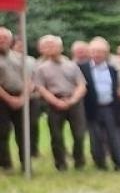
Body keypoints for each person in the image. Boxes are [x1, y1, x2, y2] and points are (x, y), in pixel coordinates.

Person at [32, 34, 88, 172]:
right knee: (56, 136)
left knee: (79, 134)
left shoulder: (72, 65)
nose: (50, 48)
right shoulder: (41, 68)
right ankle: (61, 163)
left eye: (53, 45)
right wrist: (56, 101)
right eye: (47, 46)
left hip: (74, 102)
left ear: (61, 47)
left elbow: (81, 85)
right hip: (54, 103)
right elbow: (41, 88)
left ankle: (79, 161)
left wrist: (73, 100)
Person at [80, 37, 120, 171]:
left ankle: (119, 163)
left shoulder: (112, 69)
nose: (97, 54)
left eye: (101, 52)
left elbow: (115, 89)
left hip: (110, 107)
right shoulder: (83, 68)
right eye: (94, 51)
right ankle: (100, 164)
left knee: (114, 136)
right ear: (90, 53)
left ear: (106, 53)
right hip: (92, 108)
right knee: (95, 137)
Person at [0, 25, 38, 171]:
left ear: (11, 41)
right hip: (2, 99)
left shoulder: (24, 59)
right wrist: (9, 99)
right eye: (0, 38)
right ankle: (5, 164)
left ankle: (26, 164)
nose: (2, 41)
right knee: (2, 132)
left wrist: (22, 98)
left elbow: (31, 79)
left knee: (24, 133)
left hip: (23, 98)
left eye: (5, 38)